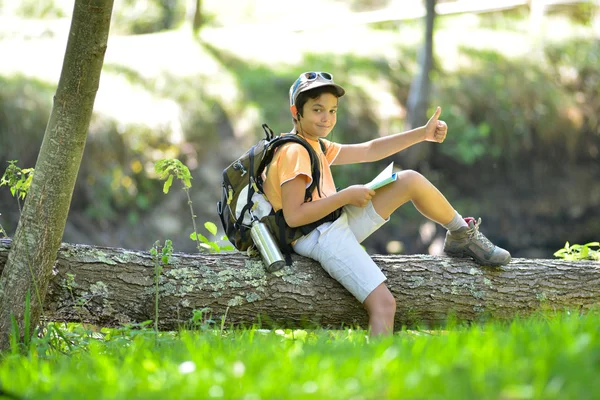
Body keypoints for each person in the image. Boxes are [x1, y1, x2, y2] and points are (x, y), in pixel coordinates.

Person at [262, 71, 511, 336]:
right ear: (296, 112)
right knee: (384, 304)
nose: (327, 118)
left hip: (329, 222)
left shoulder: (314, 145)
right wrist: (346, 196)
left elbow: (370, 150)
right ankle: (379, 372)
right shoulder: (294, 151)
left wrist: (422, 134)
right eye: (317, 110)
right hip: (317, 236)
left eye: (333, 111)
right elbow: (294, 216)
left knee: (408, 181)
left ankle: (462, 234)